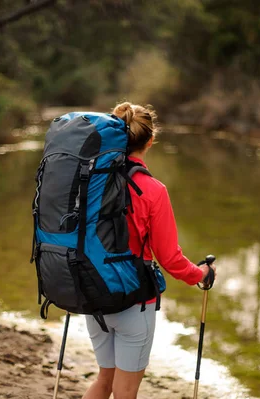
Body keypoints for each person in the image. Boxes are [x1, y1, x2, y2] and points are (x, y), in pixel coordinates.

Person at [82, 102, 217, 399]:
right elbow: (169, 258)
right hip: (134, 301)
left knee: (104, 379)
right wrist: (201, 274)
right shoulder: (153, 190)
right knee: (126, 391)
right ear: (151, 140)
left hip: (92, 291)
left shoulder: (90, 182)